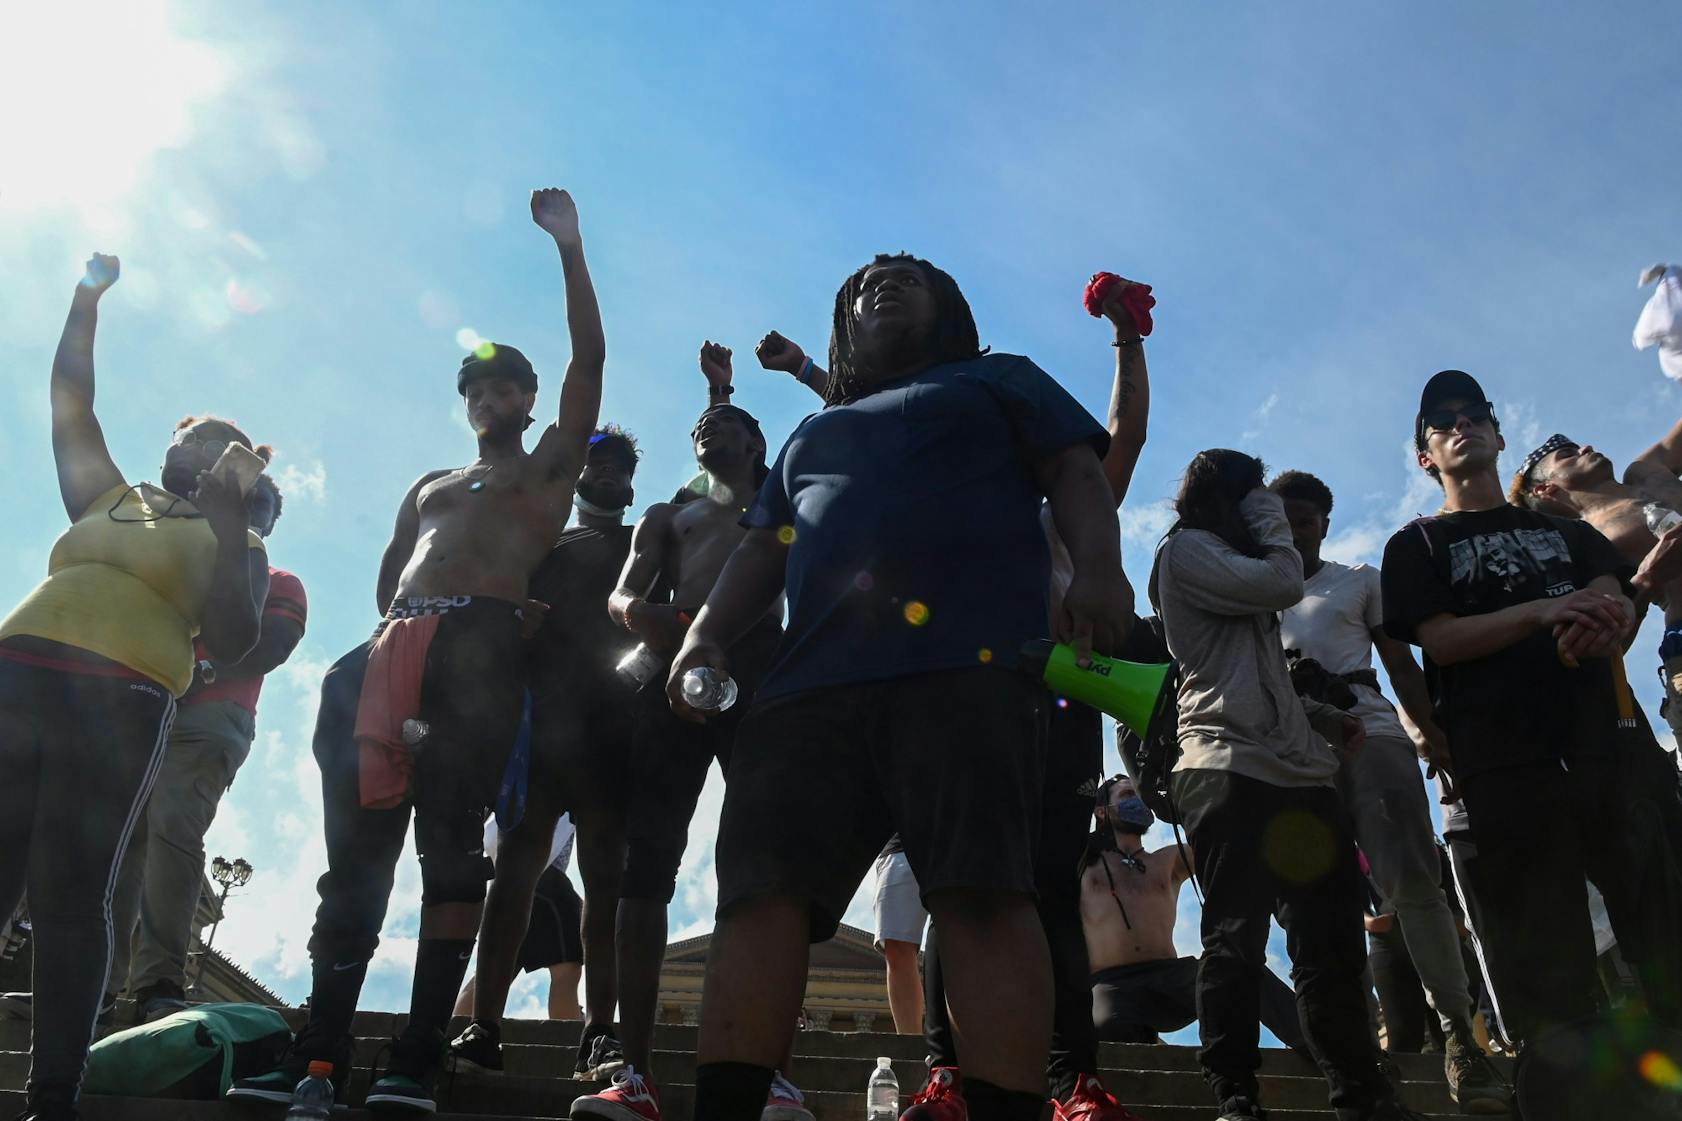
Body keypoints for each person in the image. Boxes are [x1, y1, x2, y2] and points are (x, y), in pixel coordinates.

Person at [667, 253, 1131, 1121]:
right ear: (844, 326)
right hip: (807, 689)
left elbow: (1077, 471)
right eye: (863, 282)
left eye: (909, 275)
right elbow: (764, 545)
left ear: (950, 308)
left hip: (968, 673)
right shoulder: (811, 433)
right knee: (758, 898)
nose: (882, 280)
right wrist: (703, 633)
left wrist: (1100, 567)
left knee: (983, 891)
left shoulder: (1000, 379)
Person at [228, 187, 605, 1115]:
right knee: (353, 862)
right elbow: (391, 573)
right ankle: (317, 1051)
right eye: (474, 387)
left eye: (503, 386)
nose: (488, 397)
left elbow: (588, 358)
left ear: (525, 398)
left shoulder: (549, 466)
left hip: (478, 646)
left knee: (449, 854)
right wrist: (385, 654)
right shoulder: (430, 482)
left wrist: (568, 247)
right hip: (393, 645)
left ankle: (419, 1054)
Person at [0, 254, 270, 1121]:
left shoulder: (237, 544)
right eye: (190, 434)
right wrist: (85, 299)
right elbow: (68, 402)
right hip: (18, 669)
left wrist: (231, 516)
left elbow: (231, 637)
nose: (196, 444)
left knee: (71, 887)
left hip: (120, 696)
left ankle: (52, 1095)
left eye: (215, 439)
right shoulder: (110, 497)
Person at [1381, 370, 1682, 1067]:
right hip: (1509, 771)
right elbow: (1444, 639)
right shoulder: (1418, 544)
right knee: (1557, 981)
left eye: (1475, 413)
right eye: (1442, 421)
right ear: (1426, 456)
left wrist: (1606, 618)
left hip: (1613, 755)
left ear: (1498, 431)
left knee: (1667, 937)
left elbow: (1611, 599)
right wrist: (1548, 611)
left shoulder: (1566, 533)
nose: (1463, 424)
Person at [1153, 449, 1412, 1121]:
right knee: (1235, 936)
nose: (1275, 514)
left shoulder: (1241, 568)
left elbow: (1259, 671)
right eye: (1261, 499)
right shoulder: (1187, 552)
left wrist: (1322, 716)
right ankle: (1235, 1091)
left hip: (1299, 772)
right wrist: (1270, 516)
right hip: (1224, 764)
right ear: (1238, 501)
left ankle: (1361, 1093)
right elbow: (1281, 584)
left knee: (1330, 942)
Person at [570, 342, 787, 1121]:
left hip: (762, 663)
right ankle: (635, 1069)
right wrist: (643, 616)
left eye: (728, 421)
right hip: (674, 666)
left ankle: (773, 1076)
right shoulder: (669, 515)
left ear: (759, 441)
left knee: (765, 863)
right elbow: (623, 596)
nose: (710, 427)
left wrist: (728, 387)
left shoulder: (781, 505)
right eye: (703, 422)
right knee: (645, 863)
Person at [1268, 469, 1509, 1113]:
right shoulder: (1252, 594)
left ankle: (1461, 1036)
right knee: (1320, 902)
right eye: (1282, 516)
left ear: (1325, 523)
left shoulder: (1358, 580)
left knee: (1412, 882)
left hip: (1368, 727)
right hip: (1290, 746)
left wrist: (1430, 734)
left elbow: (1400, 663)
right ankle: (1358, 1047)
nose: (1295, 528)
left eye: (1307, 517)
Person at [447, 424, 641, 1079]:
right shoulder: (544, 541)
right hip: (543, 727)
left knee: (605, 882)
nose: (607, 471)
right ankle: (484, 1023)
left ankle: (601, 1029)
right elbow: (498, 615)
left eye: (618, 463)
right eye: (596, 461)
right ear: (579, 472)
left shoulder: (645, 541)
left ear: (631, 478)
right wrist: (518, 622)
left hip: (614, 731)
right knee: (515, 875)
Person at [107, 472, 307, 1023]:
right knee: (120, 843)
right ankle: (99, 984)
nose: (253, 513)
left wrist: (204, 671)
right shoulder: (180, 573)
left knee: (171, 828)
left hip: (214, 715)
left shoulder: (280, 580)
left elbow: (273, 646)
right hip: (149, 706)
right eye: (246, 502)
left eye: (262, 506)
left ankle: (158, 982)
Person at [1505, 421, 1682, 740]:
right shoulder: (1587, 547)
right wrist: (1649, 578)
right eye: (1567, 455)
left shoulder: (1647, 471)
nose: (1585, 448)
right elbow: (1603, 645)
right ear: (1545, 489)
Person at [454, 814, 584, 1023]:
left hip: (505, 876)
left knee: (493, 970)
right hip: (545, 874)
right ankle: (568, 1038)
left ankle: (452, 1037)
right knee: (566, 968)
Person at [869, 837, 927, 1034]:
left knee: (960, 945)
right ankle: (911, 1048)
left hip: (959, 836)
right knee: (895, 947)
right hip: (899, 846)